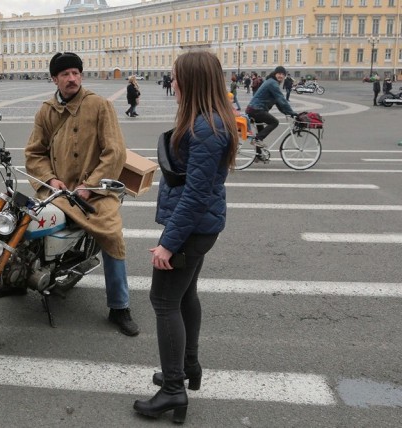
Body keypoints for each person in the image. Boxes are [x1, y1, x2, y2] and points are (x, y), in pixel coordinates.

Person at [0, 52, 140, 337]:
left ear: (81, 75)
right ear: (54, 79)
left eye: (76, 73)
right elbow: (34, 153)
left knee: (112, 235)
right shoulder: (46, 110)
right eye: (65, 74)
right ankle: (15, 280)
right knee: (23, 218)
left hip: (96, 191)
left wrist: (90, 185)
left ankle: (120, 306)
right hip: (57, 189)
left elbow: (114, 152)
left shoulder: (99, 105)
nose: (72, 78)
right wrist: (50, 179)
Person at [133, 51, 237, 423]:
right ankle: (187, 367)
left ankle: (173, 389)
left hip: (192, 228)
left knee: (162, 301)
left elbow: (196, 195)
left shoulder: (205, 128)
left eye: (174, 77)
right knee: (184, 295)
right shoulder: (206, 121)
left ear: (191, 81)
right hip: (199, 225)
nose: (171, 82)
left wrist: (168, 243)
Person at [245, 66, 297, 148]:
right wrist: (291, 112)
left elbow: (279, 103)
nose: (281, 76)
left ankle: (259, 155)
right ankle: (257, 140)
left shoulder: (271, 82)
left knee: (261, 134)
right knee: (274, 122)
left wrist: (288, 113)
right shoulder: (273, 83)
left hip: (253, 109)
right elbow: (281, 99)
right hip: (256, 110)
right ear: (275, 74)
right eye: (279, 73)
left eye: (283, 74)